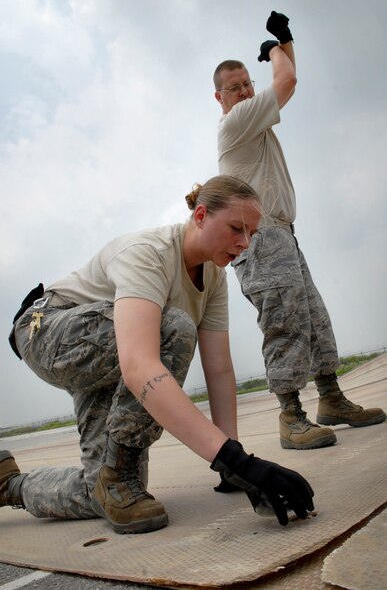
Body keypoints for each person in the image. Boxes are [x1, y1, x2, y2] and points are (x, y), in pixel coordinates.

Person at [2, 175, 314, 534]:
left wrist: (235, 464)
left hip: (107, 351)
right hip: (47, 330)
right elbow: (138, 366)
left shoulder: (213, 276)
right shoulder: (149, 253)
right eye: (235, 229)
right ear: (200, 216)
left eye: (251, 234)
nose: (244, 243)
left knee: (105, 492)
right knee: (173, 327)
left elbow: (219, 369)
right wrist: (234, 460)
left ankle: (10, 485)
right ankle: (118, 474)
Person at [213, 11, 386, 451]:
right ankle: (290, 417)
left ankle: (331, 398)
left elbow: (287, 78)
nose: (247, 91)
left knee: (313, 319)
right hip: (262, 240)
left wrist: (286, 41)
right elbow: (286, 82)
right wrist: (275, 50)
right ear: (220, 97)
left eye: (249, 83)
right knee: (285, 323)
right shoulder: (236, 123)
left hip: (284, 235)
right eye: (236, 87)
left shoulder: (257, 121)